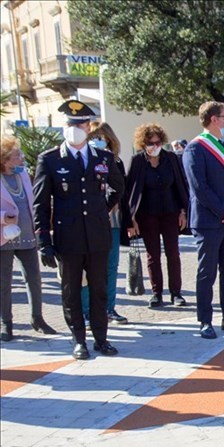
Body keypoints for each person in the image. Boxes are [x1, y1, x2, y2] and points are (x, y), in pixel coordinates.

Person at [32, 99, 123, 359]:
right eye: (71, 123)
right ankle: (78, 340)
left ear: (88, 126)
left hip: (97, 235)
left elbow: (118, 186)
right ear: (65, 126)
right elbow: (41, 203)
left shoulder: (103, 157)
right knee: (71, 290)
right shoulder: (49, 159)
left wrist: (103, 208)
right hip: (68, 237)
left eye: (80, 123)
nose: (76, 128)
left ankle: (101, 338)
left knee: (99, 288)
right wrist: (44, 241)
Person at [182, 102, 224, 338]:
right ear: (212, 119)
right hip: (209, 221)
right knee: (206, 273)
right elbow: (199, 188)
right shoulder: (195, 149)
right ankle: (205, 321)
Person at [125, 124, 189, 308]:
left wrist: (183, 211)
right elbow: (131, 191)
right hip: (147, 215)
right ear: (143, 143)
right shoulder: (137, 161)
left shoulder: (171, 159)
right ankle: (156, 293)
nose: (154, 145)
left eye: (157, 142)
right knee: (153, 255)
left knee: (173, 253)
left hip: (170, 212)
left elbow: (180, 186)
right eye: (150, 143)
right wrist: (132, 219)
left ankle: (176, 293)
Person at [1, 135, 56, 341]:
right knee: (4, 283)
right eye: (17, 156)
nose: (22, 159)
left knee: (34, 278)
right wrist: (3, 217)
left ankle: (37, 318)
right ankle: (6, 323)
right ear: (4, 159)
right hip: (4, 237)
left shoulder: (23, 174)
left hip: (26, 234)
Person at [82, 121, 129, 325]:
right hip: (89, 221)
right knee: (88, 268)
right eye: (93, 138)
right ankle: (86, 310)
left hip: (113, 220)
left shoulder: (115, 161)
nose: (97, 142)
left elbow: (121, 190)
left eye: (101, 138)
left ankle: (109, 308)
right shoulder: (82, 160)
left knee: (111, 266)